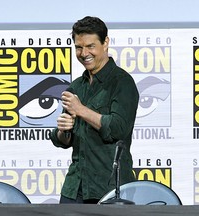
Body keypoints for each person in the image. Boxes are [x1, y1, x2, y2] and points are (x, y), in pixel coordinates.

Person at [50, 16, 139, 204]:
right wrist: (62, 131)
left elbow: (118, 128)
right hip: (75, 187)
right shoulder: (75, 87)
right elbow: (65, 141)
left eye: (90, 46)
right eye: (78, 47)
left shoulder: (122, 82)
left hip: (110, 188)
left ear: (105, 42)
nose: (84, 53)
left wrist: (81, 110)